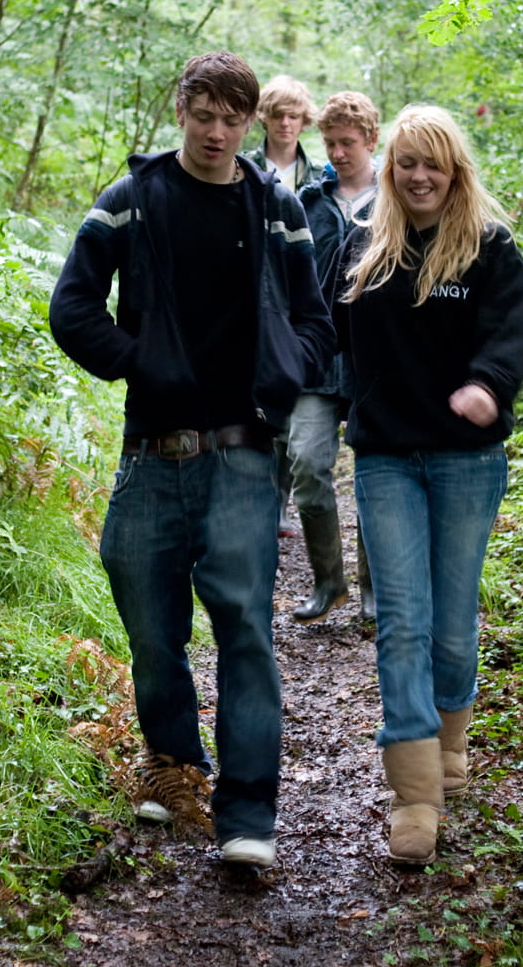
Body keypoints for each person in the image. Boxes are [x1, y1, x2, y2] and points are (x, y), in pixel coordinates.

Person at [48, 51, 334, 870]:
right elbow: (71, 307)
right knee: (148, 619)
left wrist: (283, 372)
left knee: (243, 626)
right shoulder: (132, 200)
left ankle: (248, 815)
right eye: (203, 114)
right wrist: (135, 358)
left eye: (231, 117)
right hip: (151, 452)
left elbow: (316, 320)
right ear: (182, 110)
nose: (216, 131)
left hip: (244, 454)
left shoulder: (275, 205)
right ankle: (175, 767)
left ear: (249, 121)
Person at [326, 103, 523, 864]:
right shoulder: (363, 246)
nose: (419, 177)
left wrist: (487, 385)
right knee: (403, 620)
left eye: (433, 165)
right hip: (384, 458)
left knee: (451, 622)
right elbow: (324, 332)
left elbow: (511, 334)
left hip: (465, 460)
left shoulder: (489, 247)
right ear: (390, 168)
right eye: (406, 163)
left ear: (454, 173)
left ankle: (452, 738)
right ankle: (416, 794)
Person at [291, 91, 380, 624]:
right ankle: (330, 582)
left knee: (375, 473)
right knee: (305, 461)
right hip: (317, 357)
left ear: (371, 140)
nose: (337, 153)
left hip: (375, 361)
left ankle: (374, 589)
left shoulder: (394, 196)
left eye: (347, 143)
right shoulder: (308, 200)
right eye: (328, 143)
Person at [243, 75, 321, 537]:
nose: (286, 124)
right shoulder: (244, 165)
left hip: (301, 294)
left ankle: (284, 500)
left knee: (294, 397)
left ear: (304, 121)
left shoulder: (319, 174)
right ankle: (266, 502)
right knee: (261, 397)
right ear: (264, 119)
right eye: (278, 116)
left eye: (294, 116)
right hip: (257, 293)